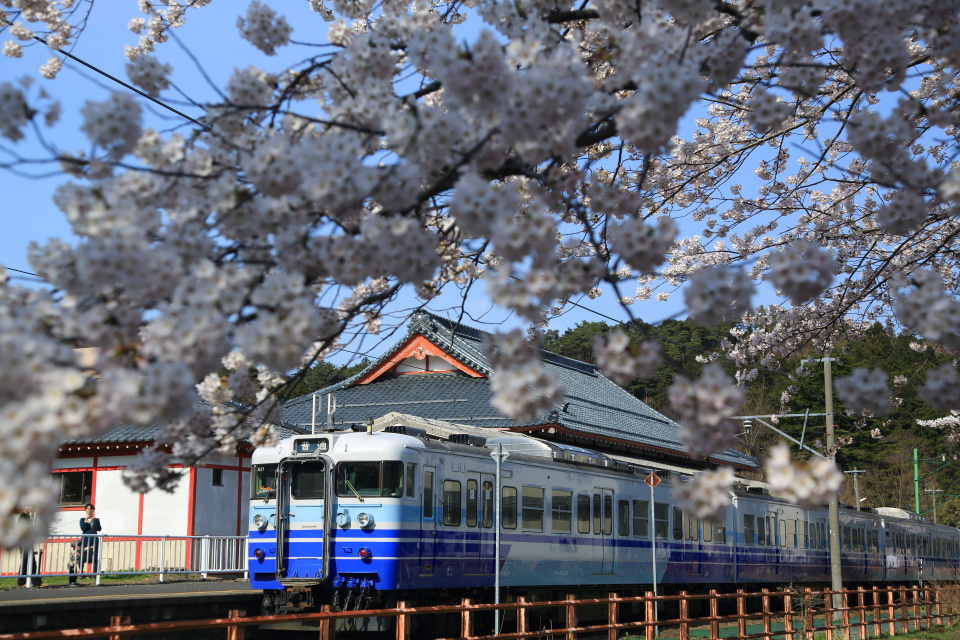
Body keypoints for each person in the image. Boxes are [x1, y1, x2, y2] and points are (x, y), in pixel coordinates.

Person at [16, 507, 42, 587]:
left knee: (32, 562)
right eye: (28, 506)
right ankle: (21, 581)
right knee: (26, 560)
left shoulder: (27, 517)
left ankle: (36, 581)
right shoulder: (23, 517)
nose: (30, 507)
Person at [79, 503, 101, 577]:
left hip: (94, 540)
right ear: (85, 510)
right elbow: (83, 528)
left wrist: (94, 521)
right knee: (82, 556)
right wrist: (86, 520)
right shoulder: (82, 519)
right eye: (88, 509)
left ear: (93, 510)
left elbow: (99, 528)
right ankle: (81, 573)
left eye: (91, 509)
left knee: (95, 557)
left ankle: (94, 574)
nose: (89, 510)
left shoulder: (96, 519)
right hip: (85, 540)